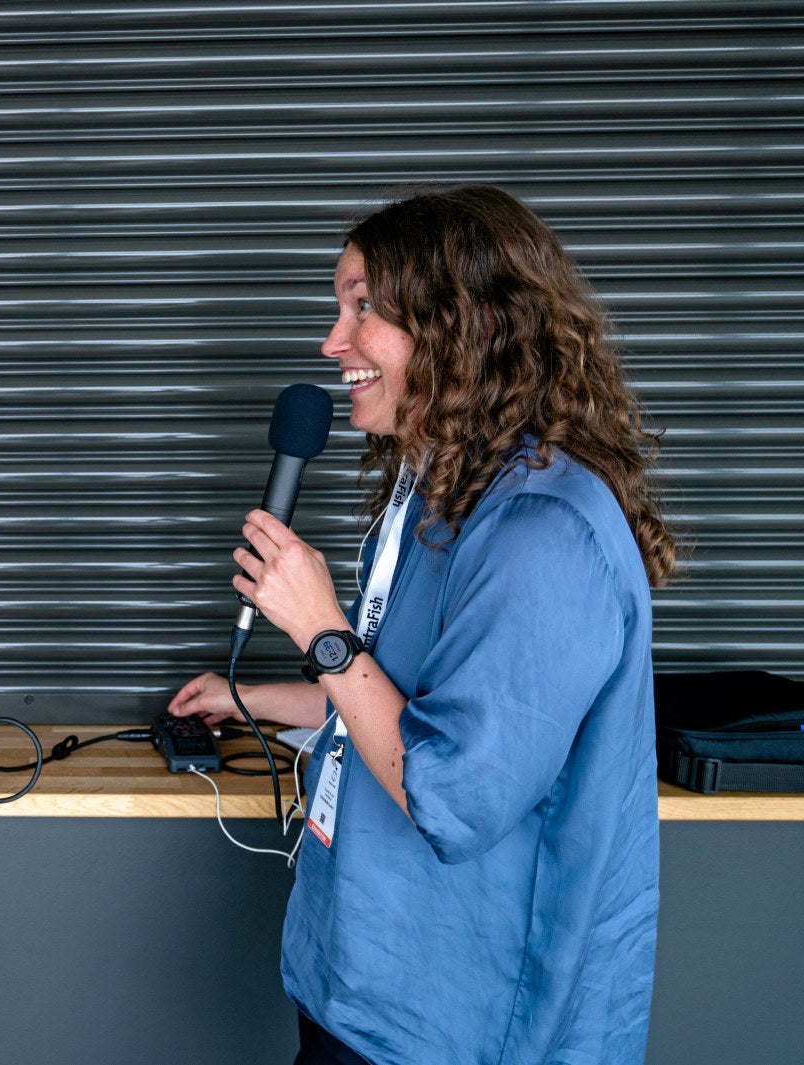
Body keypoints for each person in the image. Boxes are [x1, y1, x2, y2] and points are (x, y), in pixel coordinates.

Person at [169, 184, 677, 1064]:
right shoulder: (442, 494)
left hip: (461, 1026)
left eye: (363, 306)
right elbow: (408, 702)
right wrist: (255, 695)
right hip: (357, 984)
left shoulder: (544, 535)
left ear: (463, 324)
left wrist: (322, 629)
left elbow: (453, 791)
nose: (333, 341)